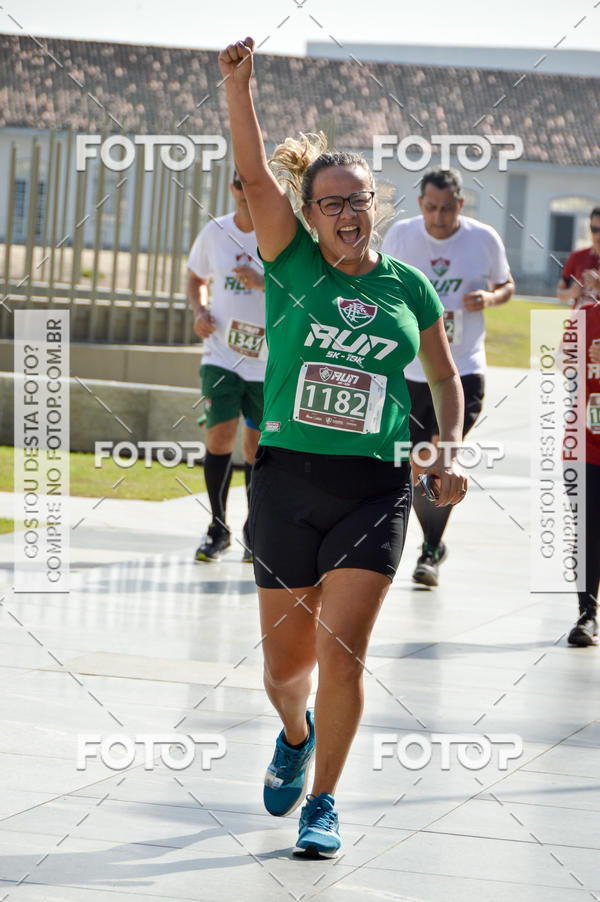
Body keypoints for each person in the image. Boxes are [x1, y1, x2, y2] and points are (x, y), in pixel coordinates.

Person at [219, 36, 468, 859]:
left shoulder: (406, 285)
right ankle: (295, 734)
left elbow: (441, 374)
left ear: (376, 204)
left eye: (361, 198)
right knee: (286, 673)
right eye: (332, 201)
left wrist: (448, 448)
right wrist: (239, 88)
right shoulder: (288, 262)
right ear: (309, 210)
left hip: (373, 487)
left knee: (345, 655)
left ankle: (323, 802)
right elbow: (254, 176)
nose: (350, 211)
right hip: (287, 483)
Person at [382, 169, 514, 587]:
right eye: (431, 208)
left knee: (443, 455)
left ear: (460, 204)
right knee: (420, 461)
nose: (438, 218)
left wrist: (490, 298)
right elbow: (379, 285)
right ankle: (433, 543)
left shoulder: (483, 238)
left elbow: (507, 284)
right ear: (421, 204)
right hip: (410, 371)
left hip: (463, 370)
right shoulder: (401, 236)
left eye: (446, 208)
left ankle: (428, 549)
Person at [187, 172, 266, 562]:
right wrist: (200, 310)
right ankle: (218, 527)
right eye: (238, 183)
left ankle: (255, 530)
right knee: (219, 437)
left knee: (255, 448)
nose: (244, 189)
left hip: (268, 361)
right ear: (232, 188)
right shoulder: (215, 231)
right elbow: (195, 277)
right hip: (220, 354)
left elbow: (307, 287)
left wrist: (263, 282)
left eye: (251, 182)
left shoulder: (281, 234)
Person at [567, 300, 600, 647]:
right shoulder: (585, 314)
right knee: (587, 528)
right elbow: (561, 363)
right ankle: (587, 614)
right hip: (583, 444)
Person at [556, 207, 600, 309]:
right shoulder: (577, 256)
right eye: (595, 229)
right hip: (580, 321)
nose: (598, 235)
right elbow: (559, 293)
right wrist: (572, 292)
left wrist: (598, 286)